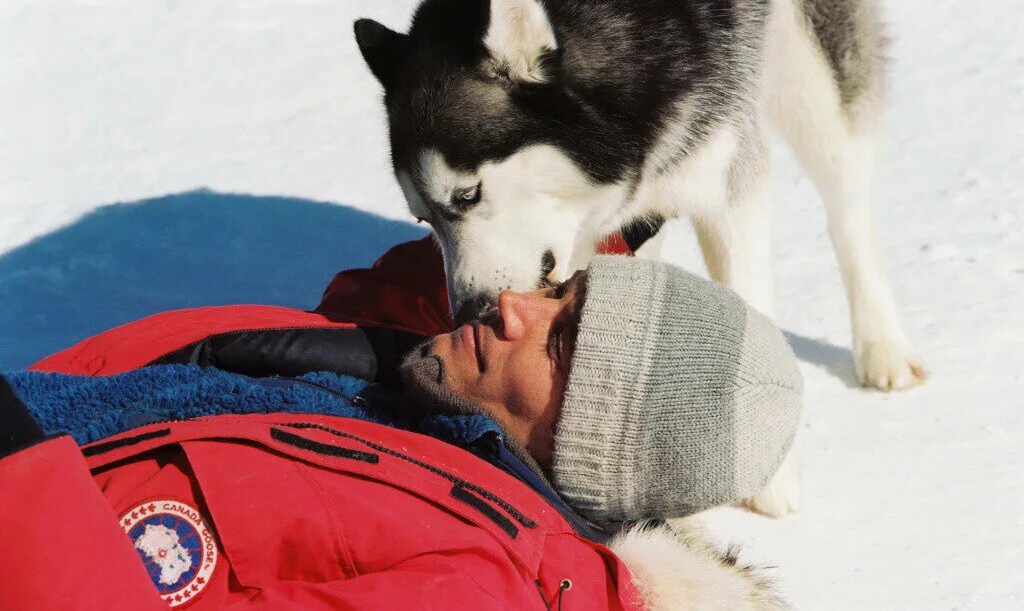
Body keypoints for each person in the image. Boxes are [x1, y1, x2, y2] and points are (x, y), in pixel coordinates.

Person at [0, 236, 801, 610]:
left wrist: (18, 479)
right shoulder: (423, 403)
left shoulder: (481, 584)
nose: (516, 302)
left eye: (561, 333)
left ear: (594, 433)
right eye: (562, 286)